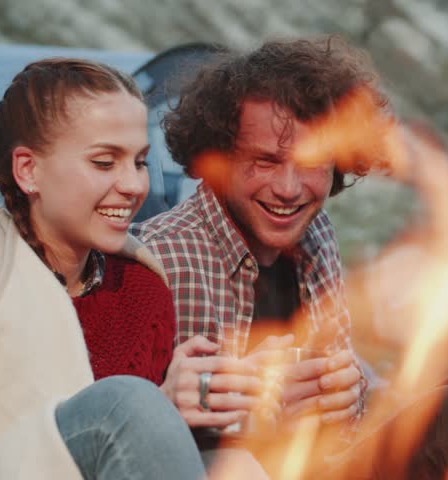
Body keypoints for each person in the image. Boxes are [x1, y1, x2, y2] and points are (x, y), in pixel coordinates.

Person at [0, 58, 210, 479]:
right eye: (105, 162)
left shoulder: (141, 289)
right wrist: (145, 405)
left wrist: (172, 404)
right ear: (28, 170)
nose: (135, 185)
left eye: (140, 162)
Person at [131, 37, 375, 455]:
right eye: (265, 162)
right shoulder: (161, 258)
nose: (288, 189)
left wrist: (349, 397)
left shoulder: (318, 236)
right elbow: (118, 436)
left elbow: (341, 397)